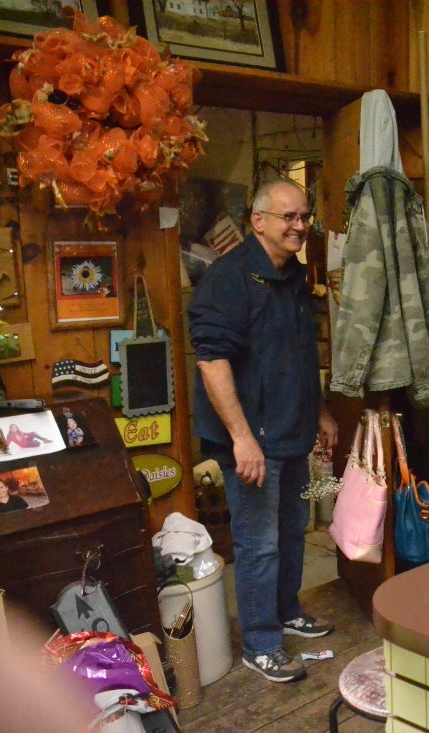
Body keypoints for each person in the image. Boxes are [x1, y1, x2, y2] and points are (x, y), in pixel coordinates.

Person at [187, 179, 338, 683]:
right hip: (251, 442)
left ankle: (287, 611)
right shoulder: (228, 279)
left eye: (304, 216)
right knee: (259, 544)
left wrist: (319, 411)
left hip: (291, 430)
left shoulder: (292, 275)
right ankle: (261, 643)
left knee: (292, 531)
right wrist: (242, 437)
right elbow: (212, 362)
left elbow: (296, 353)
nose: (299, 226)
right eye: (288, 217)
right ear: (258, 221)